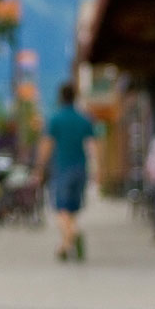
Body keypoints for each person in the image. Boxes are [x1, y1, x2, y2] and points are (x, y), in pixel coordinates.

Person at [36, 82, 96, 261]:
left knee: (61, 208)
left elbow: (46, 146)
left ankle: (73, 235)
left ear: (60, 97)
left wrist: (39, 167)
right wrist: (97, 169)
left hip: (62, 168)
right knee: (72, 209)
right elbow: (92, 145)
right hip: (80, 168)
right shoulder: (84, 119)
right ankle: (65, 245)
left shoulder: (55, 119)